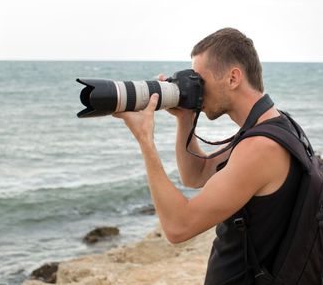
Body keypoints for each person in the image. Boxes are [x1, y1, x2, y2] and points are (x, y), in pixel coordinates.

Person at [114, 28, 302, 284]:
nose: (196, 90)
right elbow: (196, 175)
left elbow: (178, 227)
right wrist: (185, 119)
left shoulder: (261, 146)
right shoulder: (274, 124)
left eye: (200, 80)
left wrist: (146, 142)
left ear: (233, 78)